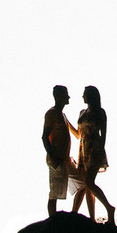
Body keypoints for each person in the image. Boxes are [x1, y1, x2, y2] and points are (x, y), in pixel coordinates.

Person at [71, 85, 115, 224]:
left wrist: (100, 152)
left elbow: (104, 135)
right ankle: (91, 218)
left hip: (94, 149)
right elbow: (78, 134)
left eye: (84, 94)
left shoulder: (100, 112)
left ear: (91, 96)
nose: (82, 96)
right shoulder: (82, 112)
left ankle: (109, 209)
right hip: (83, 149)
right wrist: (66, 123)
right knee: (87, 184)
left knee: (89, 182)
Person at [42, 85, 79, 216]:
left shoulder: (62, 115)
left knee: (83, 183)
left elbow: (77, 134)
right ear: (59, 97)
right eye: (65, 95)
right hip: (56, 160)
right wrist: (53, 157)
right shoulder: (51, 114)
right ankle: (52, 221)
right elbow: (44, 136)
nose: (68, 97)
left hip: (66, 160)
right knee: (54, 193)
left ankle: (74, 213)